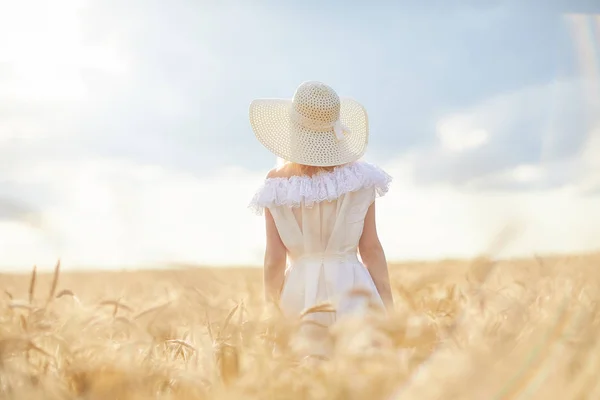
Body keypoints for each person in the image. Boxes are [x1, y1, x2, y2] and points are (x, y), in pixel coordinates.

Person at [248, 81, 394, 357]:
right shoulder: (360, 177)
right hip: (354, 289)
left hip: (299, 293)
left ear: (292, 130)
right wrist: (390, 308)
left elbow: (274, 259)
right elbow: (371, 249)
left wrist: (270, 311)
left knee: (303, 374)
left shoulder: (276, 182)